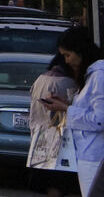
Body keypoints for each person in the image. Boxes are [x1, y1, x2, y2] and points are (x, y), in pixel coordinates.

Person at [42, 28, 104, 197]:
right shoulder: (91, 75)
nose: (66, 61)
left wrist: (66, 109)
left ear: (81, 51)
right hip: (87, 151)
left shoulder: (99, 76)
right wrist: (67, 104)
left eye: (68, 55)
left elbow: (99, 119)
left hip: (94, 154)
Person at [29, 50, 81, 196]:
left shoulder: (40, 79)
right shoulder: (68, 82)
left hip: (40, 137)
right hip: (61, 140)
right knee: (60, 182)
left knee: (49, 182)